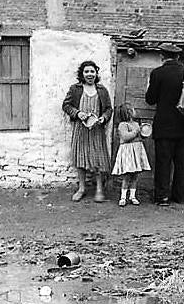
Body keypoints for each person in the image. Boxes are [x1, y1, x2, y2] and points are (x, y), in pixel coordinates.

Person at [145, 42, 184, 206]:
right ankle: (180, 197)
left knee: (163, 163)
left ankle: (162, 197)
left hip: (164, 126)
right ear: (178, 56)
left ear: (162, 56)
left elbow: (150, 100)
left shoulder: (157, 73)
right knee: (181, 163)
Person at [62, 60, 113, 202]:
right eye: (86, 72)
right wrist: (77, 113)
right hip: (81, 129)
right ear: (82, 74)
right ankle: (82, 188)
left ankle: (99, 189)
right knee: (80, 158)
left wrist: (104, 118)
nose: (89, 74)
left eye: (92, 71)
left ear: (96, 73)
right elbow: (66, 105)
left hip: (97, 130)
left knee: (98, 159)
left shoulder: (102, 90)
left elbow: (109, 109)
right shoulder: (75, 89)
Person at [111, 103, 151, 207]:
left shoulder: (136, 124)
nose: (134, 111)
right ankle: (123, 197)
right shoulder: (123, 125)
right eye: (132, 110)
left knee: (135, 175)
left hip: (136, 151)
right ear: (128, 113)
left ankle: (132, 196)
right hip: (128, 152)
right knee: (127, 176)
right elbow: (125, 137)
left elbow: (139, 136)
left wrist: (143, 134)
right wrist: (135, 131)